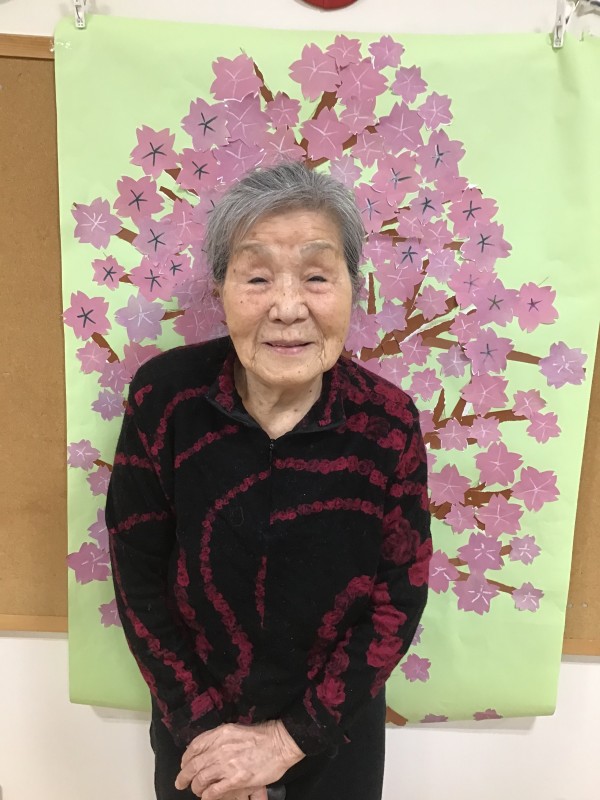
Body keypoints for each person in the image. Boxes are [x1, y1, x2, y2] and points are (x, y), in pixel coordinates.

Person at [106, 161, 432, 800]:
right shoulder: (165, 400)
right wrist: (210, 741)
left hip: (333, 736)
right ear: (221, 288)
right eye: (257, 277)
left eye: (317, 276)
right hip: (197, 736)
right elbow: (138, 576)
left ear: (353, 287)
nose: (287, 308)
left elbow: (399, 593)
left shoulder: (387, 421)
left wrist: (287, 741)